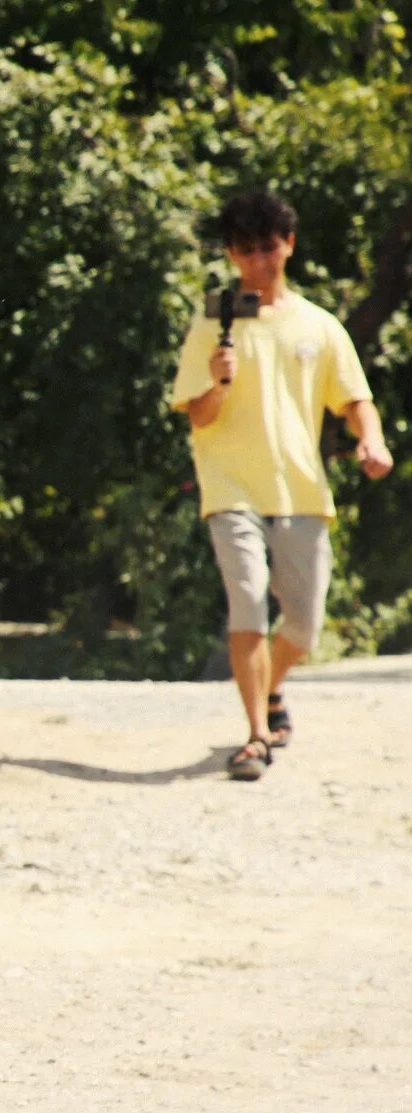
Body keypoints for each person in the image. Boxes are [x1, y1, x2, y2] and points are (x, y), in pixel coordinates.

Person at [171, 188, 394, 781]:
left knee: (304, 624)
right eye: (247, 252)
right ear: (231, 254)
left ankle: (271, 689)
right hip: (230, 488)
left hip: (300, 489)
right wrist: (217, 383)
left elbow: (355, 398)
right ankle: (254, 737)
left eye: (269, 249)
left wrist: (372, 440)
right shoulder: (212, 321)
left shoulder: (317, 325)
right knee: (246, 601)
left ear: (289, 245)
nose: (260, 262)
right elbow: (196, 413)